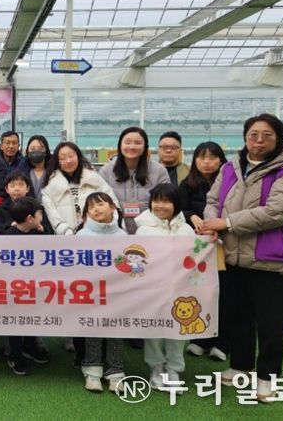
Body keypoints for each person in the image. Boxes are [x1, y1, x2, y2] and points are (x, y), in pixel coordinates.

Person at [202, 113, 283, 403]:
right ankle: (241, 367)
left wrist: (227, 223)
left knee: (272, 323)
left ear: (279, 139)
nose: (259, 141)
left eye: (267, 135)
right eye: (253, 135)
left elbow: (277, 212)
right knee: (237, 316)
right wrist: (211, 223)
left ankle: (268, 377)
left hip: (269, 260)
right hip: (232, 257)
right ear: (245, 138)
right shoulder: (231, 168)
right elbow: (212, 201)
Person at [135, 183, 195, 391]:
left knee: (178, 329)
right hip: (152, 290)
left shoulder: (186, 230)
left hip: (181, 290)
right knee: (153, 329)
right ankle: (156, 367)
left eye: (166, 201)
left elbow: (196, 257)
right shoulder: (143, 230)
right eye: (157, 201)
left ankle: (174, 369)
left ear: (176, 204)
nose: (160, 206)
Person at [179, 142, 229, 362]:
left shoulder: (229, 182)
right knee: (201, 290)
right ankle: (200, 339)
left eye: (212, 157)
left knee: (224, 292)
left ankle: (223, 342)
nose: (206, 162)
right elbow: (178, 208)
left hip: (224, 243)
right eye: (201, 157)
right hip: (198, 247)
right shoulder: (187, 183)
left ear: (221, 160)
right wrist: (191, 216)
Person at [75, 191, 127, 393]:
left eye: (100, 204)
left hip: (116, 294)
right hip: (92, 293)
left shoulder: (122, 235)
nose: (96, 209)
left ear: (113, 207)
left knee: (116, 333)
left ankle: (115, 372)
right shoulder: (82, 235)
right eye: (91, 207)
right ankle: (92, 371)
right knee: (93, 332)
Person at [1, 197, 49, 376]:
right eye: (39, 214)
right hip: (14, 290)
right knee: (16, 322)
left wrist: (43, 231)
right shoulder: (8, 237)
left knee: (32, 319)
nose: (41, 218)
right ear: (30, 218)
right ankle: (15, 355)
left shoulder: (38, 233)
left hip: (35, 288)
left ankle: (29, 346)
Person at [99, 127, 171, 234]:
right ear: (120, 145)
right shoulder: (106, 171)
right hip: (114, 231)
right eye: (127, 142)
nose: (132, 147)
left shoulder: (159, 171)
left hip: (151, 231)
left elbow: (167, 202)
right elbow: (99, 202)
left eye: (137, 143)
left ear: (145, 147)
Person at [41, 142, 117, 235]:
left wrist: (113, 225)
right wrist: (65, 230)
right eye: (63, 158)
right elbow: (52, 213)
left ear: (78, 156)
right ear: (57, 162)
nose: (68, 161)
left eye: (71, 156)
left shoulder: (94, 179)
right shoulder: (50, 186)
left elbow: (112, 203)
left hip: (98, 234)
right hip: (67, 237)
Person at [0, 170, 53, 235]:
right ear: (7, 189)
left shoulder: (36, 207)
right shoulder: (1, 209)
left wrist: (42, 229)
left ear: (28, 188)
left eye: (21, 185)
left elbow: (49, 230)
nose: (17, 189)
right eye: (12, 185)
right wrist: (11, 225)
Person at [17, 135, 51, 199]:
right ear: (27, 151)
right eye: (32, 149)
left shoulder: (54, 171)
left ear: (46, 151)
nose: (36, 151)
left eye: (40, 148)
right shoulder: (21, 171)